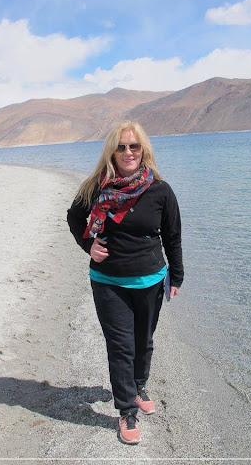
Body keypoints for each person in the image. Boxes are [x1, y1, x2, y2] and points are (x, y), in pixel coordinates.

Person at [67, 121, 183, 445]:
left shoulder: (160, 190)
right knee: (121, 347)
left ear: (143, 149)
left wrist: (178, 275)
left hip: (150, 280)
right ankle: (127, 410)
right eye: (121, 146)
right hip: (108, 282)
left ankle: (139, 385)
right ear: (111, 152)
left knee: (143, 341)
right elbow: (74, 218)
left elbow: (173, 235)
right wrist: (88, 244)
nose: (128, 152)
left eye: (134, 146)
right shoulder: (95, 188)